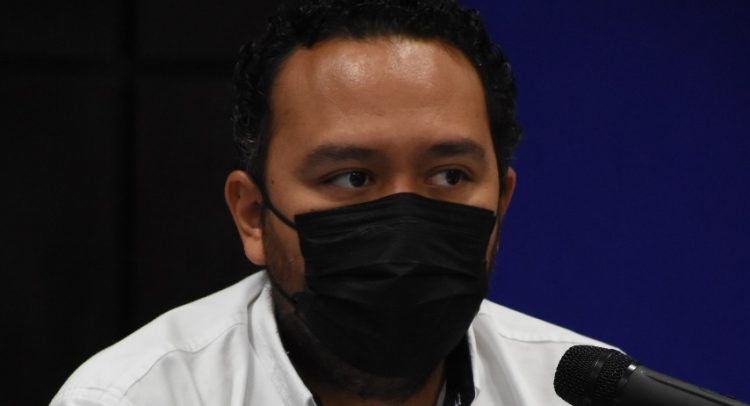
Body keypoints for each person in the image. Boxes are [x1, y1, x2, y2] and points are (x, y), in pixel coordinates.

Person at [52, 0, 611, 405]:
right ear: (252, 215)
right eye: (352, 177)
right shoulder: (137, 396)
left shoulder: (582, 394)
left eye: (449, 175)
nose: (403, 226)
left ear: (502, 202)